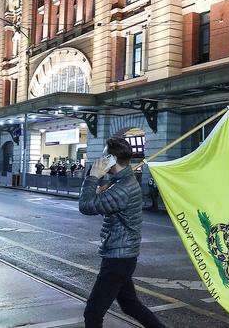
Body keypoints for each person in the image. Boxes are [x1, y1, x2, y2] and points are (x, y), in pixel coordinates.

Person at [79, 138, 165, 328]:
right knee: (130, 305)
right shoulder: (121, 182)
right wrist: (103, 185)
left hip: (118, 257)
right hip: (123, 254)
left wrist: (93, 176)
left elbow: (86, 206)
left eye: (104, 156)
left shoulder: (123, 188)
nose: (101, 159)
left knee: (93, 312)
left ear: (111, 158)